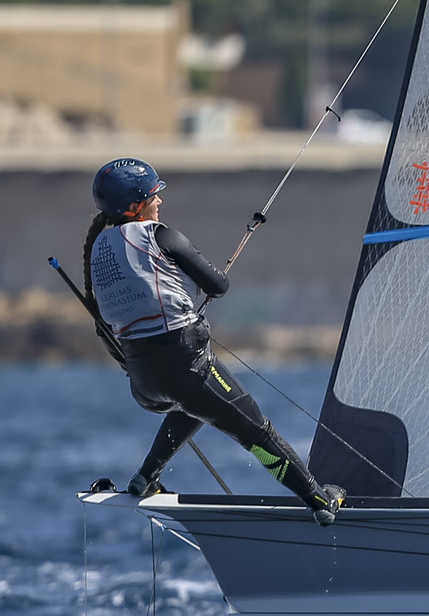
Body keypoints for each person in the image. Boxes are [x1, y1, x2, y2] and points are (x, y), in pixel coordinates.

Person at [84, 158, 344, 525]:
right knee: (257, 434)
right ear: (136, 205)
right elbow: (219, 286)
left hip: (143, 382)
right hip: (186, 367)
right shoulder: (163, 236)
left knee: (196, 405)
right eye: (154, 195)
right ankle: (318, 499)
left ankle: (146, 478)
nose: (160, 201)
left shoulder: (98, 248)